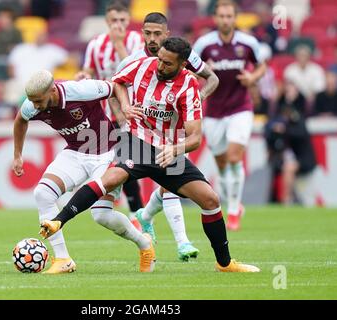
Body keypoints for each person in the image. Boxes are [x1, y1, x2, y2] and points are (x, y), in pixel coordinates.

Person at [40, 37, 260, 273]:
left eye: (167, 63)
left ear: (183, 64)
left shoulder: (188, 86)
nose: (160, 66)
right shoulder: (144, 65)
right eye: (160, 59)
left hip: (168, 151)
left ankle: (224, 263)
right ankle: (58, 220)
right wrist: (125, 106)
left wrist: (175, 149)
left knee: (210, 200)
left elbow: (195, 137)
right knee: (112, 179)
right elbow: (117, 84)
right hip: (136, 142)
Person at [13, 70, 155, 274]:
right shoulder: (31, 106)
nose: (34, 105)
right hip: (76, 152)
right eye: (32, 101)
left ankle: (144, 244)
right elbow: (20, 120)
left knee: (101, 216)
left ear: (52, 90)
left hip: (108, 153)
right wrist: (18, 154)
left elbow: (115, 86)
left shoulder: (80, 90)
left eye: (38, 100)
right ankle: (63, 259)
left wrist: (124, 108)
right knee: (42, 193)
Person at [116, 12, 219, 261]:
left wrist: (194, 100)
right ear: (142, 33)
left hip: (173, 128)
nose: (152, 39)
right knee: (167, 180)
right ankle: (182, 241)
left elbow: (212, 78)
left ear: (167, 34)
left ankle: (148, 217)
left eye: (157, 34)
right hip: (141, 132)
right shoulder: (134, 61)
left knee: (169, 181)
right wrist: (123, 113)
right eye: (147, 33)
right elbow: (115, 87)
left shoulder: (182, 55)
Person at [193, 0, 267, 231]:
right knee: (222, 164)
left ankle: (234, 209)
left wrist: (252, 79)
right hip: (214, 111)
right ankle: (233, 202)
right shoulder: (204, 44)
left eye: (229, 16)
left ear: (235, 18)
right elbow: (190, 70)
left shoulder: (248, 42)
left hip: (240, 108)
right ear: (215, 18)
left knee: (234, 157)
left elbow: (262, 65)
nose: (225, 20)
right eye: (221, 16)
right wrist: (203, 76)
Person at [76, 1, 144, 228]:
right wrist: (82, 75)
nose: (118, 25)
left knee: (130, 164)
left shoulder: (135, 41)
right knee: (113, 164)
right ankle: (133, 213)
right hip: (105, 114)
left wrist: (118, 45)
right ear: (107, 21)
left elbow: (137, 71)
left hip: (131, 111)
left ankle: (137, 214)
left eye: (122, 20)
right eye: (114, 20)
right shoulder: (95, 44)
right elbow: (89, 70)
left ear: (129, 20)